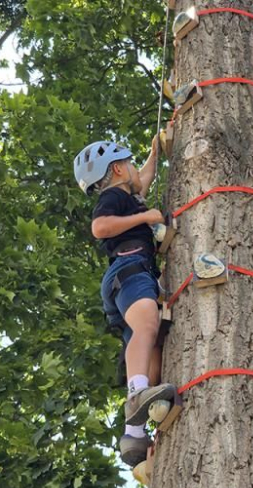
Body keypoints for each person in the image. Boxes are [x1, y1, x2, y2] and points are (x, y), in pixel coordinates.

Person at [73, 138, 176, 468]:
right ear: (117, 169)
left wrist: (155, 152)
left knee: (152, 351)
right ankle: (136, 395)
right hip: (129, 270)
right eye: (130, 164)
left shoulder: (128, 195)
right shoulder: (114, 197)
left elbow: (143, 178)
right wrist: (144, 217)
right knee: (147, 320)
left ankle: (133, 434)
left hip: (133, 277)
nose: (137, 171)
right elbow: (100, 227)